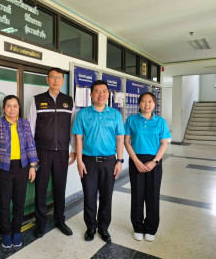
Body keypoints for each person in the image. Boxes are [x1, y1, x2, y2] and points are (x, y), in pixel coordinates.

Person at [72, 80, 124, 243]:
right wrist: (79, 161)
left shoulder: (115, 114)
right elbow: (78, 139)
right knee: (89, 196)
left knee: (107, 196)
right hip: (88, 162)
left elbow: (120, 139)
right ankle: (91, 227)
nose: (101, 94)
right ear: (91, 95)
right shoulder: (82, 114)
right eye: (97, 91)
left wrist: (120, 160)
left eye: (104, 91)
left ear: (108, 94)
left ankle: (104, 228)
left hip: (109, 161)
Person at [28, 67, 76, 238]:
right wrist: (31, 154)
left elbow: (72, 128)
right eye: (53, 77)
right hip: (42, 152)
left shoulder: (69, 101)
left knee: (59, 187)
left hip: (62, 151)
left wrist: (73, 149)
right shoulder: (37, 100)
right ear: (47, 80)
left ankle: (60, 220)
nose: (56, 80)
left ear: (63, 81)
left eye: (59, 77)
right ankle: (40, 223)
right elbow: (30, 128)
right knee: (40, 189)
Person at [0, 95, 38, 248]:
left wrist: (33, 167)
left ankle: (16, 231)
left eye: (15, 106)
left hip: (22, 167)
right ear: (4, 108)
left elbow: (31, 145)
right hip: (3, 168)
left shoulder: (25, 124)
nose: (12, 109)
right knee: (3, 203)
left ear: (19, 108)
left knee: (19, 201)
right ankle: (6, 233)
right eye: (8, 106)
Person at [124, 92, 171, 242]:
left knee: (152, 195)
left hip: (154, 161)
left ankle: (151, 228)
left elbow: (164, 143)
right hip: (136, 159)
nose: (146, 104)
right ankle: (137, 227)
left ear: (154, 104)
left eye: (150, 101)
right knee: (137, 195)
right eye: (143, 101)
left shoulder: (161, 122)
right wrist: (136, 161)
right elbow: (126, 142)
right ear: (139, 104)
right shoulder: (131, 120)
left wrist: (155, 161)